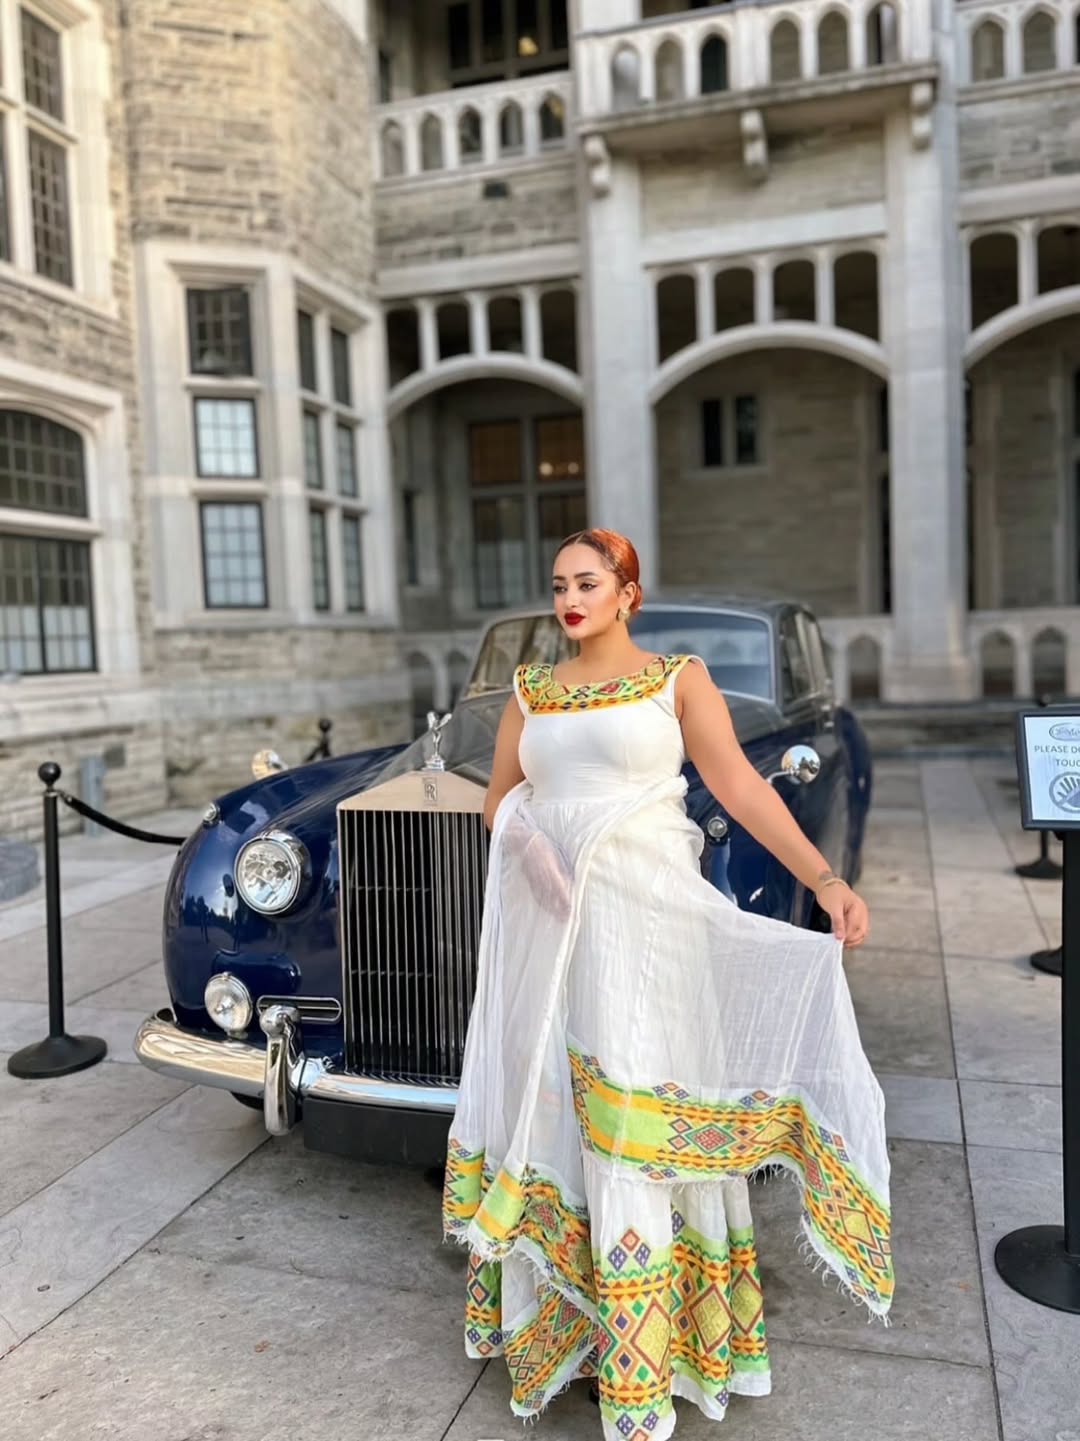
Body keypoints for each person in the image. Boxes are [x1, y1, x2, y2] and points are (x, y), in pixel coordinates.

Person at [442, 529, 891, 1441]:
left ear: (626, 592)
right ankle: (562, 1328)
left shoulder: (677, 679)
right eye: (559, 583)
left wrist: (826, 881)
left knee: (638, 1118)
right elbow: (499, 801)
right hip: (554, 938)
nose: (570, 598)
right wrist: (529, 845)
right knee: (562, 1114)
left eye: (589, 582)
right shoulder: (531, 692)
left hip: (649, 935)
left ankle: (658, 1356)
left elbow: (739, 788)